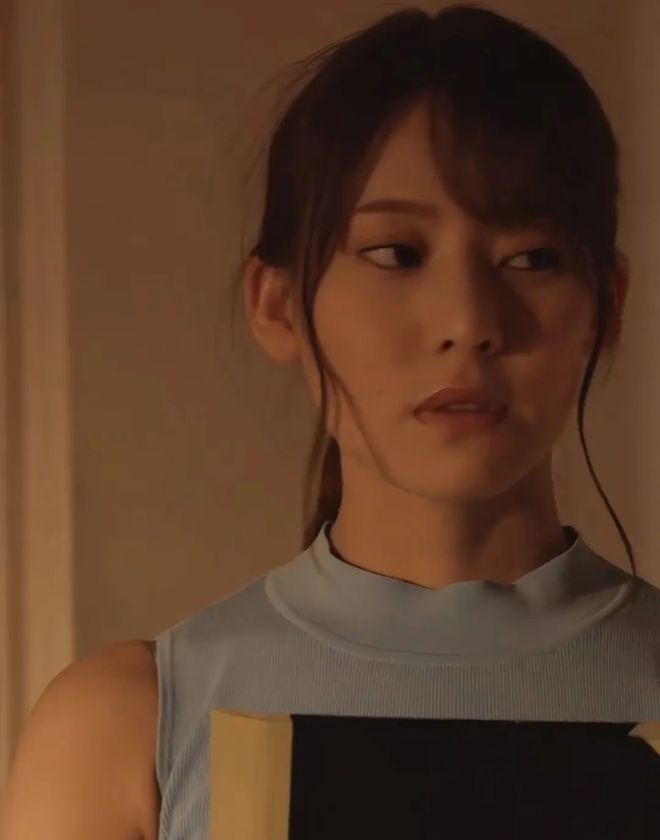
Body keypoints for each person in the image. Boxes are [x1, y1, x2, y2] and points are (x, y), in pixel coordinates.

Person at [2, 5, 659, 840]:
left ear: (608, 306)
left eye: (531, 258)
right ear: (278, 305)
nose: (468, 321)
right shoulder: (126, 731)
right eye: (395, 254)